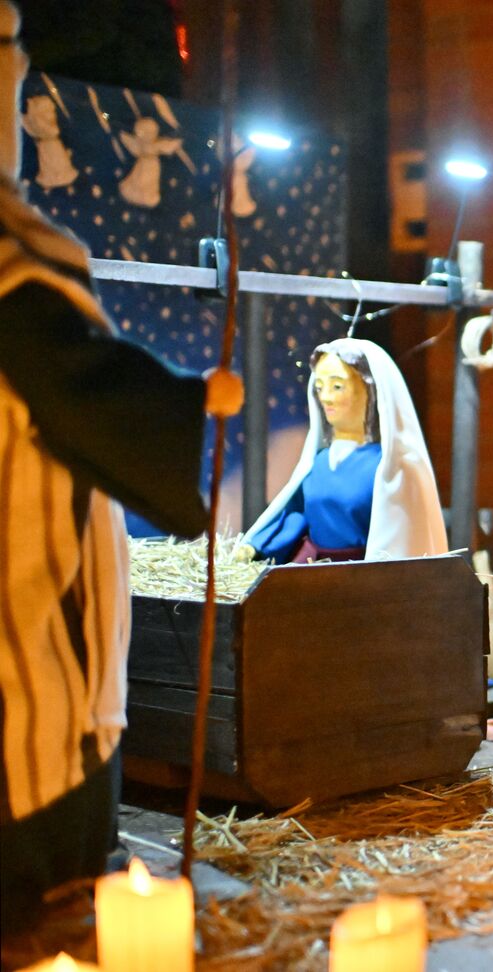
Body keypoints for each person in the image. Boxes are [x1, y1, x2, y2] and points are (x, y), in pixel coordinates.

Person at [0, 0, 243, 935]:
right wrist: (193, 403)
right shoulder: (16, 279)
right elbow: (89, 397)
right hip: (28, 720)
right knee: (47, 919)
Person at [238, 337, 447, 563]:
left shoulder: (390, 467)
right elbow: (295, 514)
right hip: (310, 569)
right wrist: (256, 547)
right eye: (320, 387)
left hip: (358, 574)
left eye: (337, 386)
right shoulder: (318, 462)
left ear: (370, 389)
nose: (326, 397)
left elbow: (402, 539)